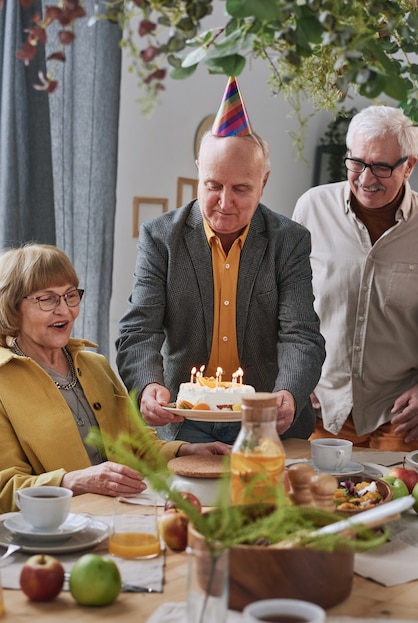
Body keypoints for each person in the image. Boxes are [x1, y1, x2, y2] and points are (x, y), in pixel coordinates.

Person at [116, 77, 325, 444]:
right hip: (184, 421)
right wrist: (148, 385)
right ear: (199, 171)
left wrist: (288, 393)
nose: (225, 202)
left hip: (264, 421)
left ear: (264, 181)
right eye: (213, 185)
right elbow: (140, 329)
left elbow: (301, 334)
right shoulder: (161, 238)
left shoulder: (288, 241)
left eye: (241, 189)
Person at [0, 244, 229, 513]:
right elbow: (6, 488)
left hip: (120, 515)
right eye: (48, 299)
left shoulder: (95, 365)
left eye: (70, 295)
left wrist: (185, 452)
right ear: (12, 306)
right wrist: (74, 481)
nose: (65, 310)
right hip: (52, 532)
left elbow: (139, 447)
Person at [292, 104, 418, 451]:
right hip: (321, 409)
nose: (365, 178)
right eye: (357, 163)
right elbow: (285, 304)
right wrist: (296, 376)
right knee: (318, 502)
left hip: (398, 416)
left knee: (393, 503)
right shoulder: (311, 209)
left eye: (380, 166)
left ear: (409, 166)